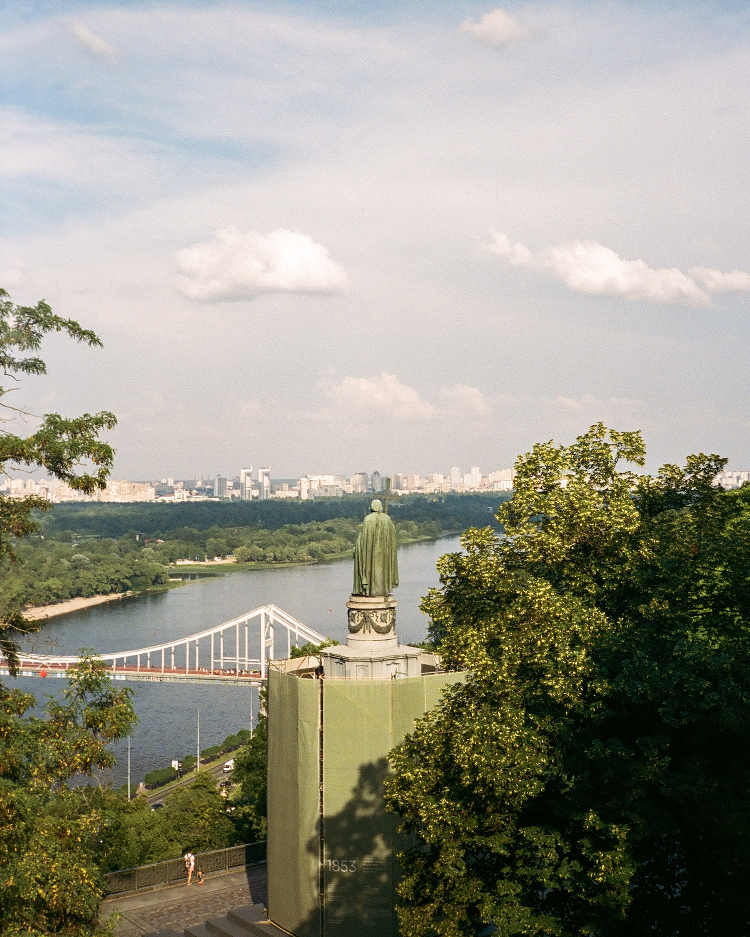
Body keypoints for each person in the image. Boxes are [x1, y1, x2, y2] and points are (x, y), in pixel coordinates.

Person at [353, 499, 399, 597]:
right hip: (384, 553)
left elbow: (363, 539)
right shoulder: (387, 519)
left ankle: (369, 589)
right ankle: (383, 589)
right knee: (382, 570)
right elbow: (393, 536)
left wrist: (357, 548)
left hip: (370, 552)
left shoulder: (368, 519)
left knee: (370, 568)